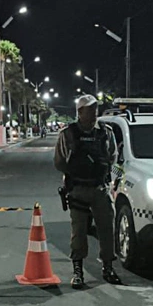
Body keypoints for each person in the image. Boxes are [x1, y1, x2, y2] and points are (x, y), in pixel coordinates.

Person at [54, 94, 123, 289]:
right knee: (79, 232)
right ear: (79, 112)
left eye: (95, 109)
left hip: (99, 188)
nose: (94, 113)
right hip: (78, 190)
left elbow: (112, 158)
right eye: (90, 110)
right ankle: (78, 271)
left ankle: (108, 267)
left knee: (107, 229)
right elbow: (59, 162)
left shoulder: (105, 132)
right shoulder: (68, 133)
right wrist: (76, 172)